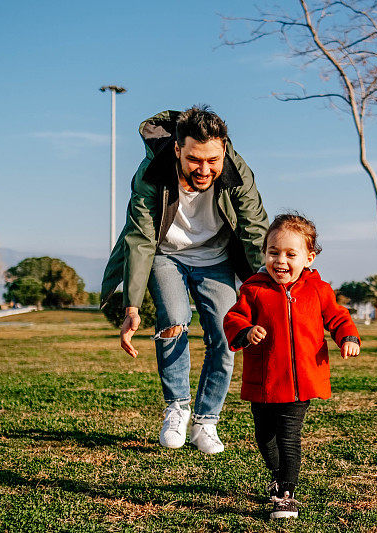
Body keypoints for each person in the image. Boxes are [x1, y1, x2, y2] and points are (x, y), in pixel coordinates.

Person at [100, 106, 269, 454]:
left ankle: (206, 421)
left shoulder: (238, 174)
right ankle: (177, 407)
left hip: (216, 257)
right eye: (194, 159)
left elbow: (255, 231)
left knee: (226, 332)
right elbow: (141, 239)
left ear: (224, 149)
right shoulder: (151, 174)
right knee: (175, 319)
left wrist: (270, 288)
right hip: (166, 254)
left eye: (213, 160)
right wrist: (131, 306)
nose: (205, 169)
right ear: (178, 149)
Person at [223, 213, 361, 519]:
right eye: (273, 253)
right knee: (264, 436)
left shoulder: (318, 289)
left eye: (290, 254)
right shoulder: (253, 289)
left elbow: (337, 317)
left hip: (301, 383)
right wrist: (245, 332)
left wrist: (348, 336)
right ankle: (278, 475)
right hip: (264, 380)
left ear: (308, 258)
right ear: (265, 254)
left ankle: (286, 493)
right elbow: (234, 318)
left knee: (288, 436)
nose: (280, 261)